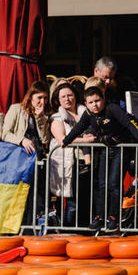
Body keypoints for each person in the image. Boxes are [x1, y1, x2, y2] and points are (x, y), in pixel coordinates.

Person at [61, 85, 138, 231]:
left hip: (121, 149)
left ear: (103, 99)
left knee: (113, 183)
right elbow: (79, 127)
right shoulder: (88, 114)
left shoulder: (112, 109)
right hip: (105, 149)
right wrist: (66, 140)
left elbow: (129, 123)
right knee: (101, 184)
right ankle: (100, 216)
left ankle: (114, 217)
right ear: (86, 104)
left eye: (97, 101)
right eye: (91, 102)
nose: (95, 105)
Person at [49, 82, 89, 227]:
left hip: (86, 162)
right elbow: (62, 139)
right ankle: (68, 228)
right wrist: (86, 140)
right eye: (63, 97)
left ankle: (82, 228)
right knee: (71, 201)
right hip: (67, 163)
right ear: (58, 100)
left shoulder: (86, 114)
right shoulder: (56, 118)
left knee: (84, 198)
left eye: (70, 95)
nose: (67, 99)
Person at [3, 81, 51, 156]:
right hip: (20, 153)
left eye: (45, 98)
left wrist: (41, 119)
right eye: (39, 97)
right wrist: (22, 140)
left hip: (37, 154)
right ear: (31, 97)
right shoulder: (16, 109)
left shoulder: (46, 115)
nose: (42, 102)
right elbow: (5, 134)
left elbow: (45, 140)